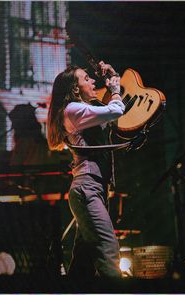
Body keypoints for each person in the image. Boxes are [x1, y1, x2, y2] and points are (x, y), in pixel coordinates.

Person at [47, 61, 125, 281]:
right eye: (86, 79)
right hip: (87, 189)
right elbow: (116, 109)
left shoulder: (82, 111)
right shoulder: (73, 110)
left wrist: (113, 78)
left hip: (93, 188)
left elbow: (107, 111)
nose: (92, 81)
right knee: (108, 252)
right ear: (74, 89)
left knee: (82, 266)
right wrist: (115, 89)